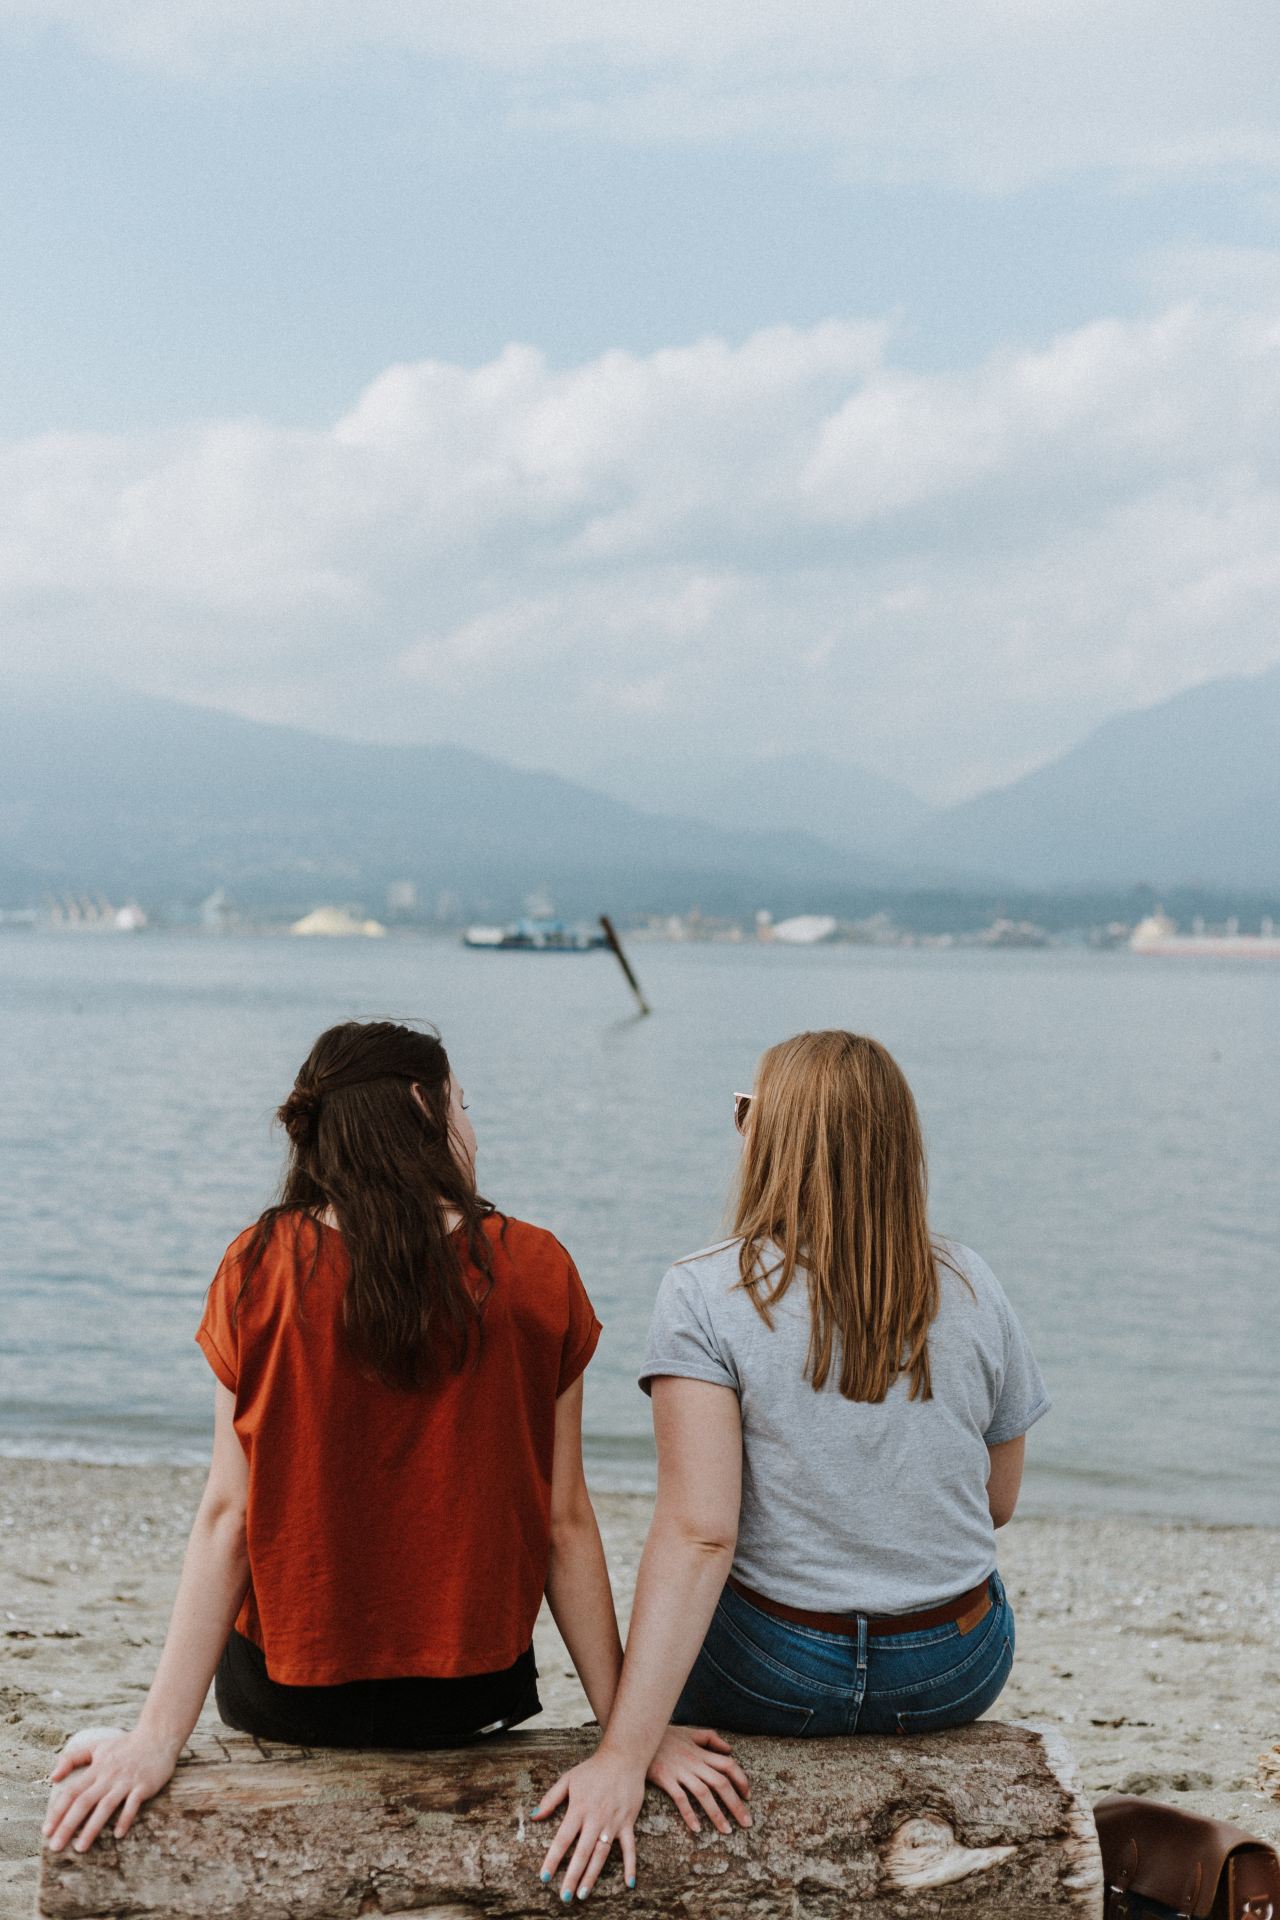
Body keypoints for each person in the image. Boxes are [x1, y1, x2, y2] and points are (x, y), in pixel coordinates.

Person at [43, 1020, 747, 1861]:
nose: (474, 1129)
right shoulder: (535, 1270)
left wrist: (156, 1737)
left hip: (285, 1698)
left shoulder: (258, 1267)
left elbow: (227, 1516)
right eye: (465, 1105)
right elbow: (563, 1523)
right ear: (424, 1106)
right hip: (465, 1698)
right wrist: (627, 1735)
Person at [535, 1028, 1050, 1900]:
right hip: (954, 1669)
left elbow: (702, 1535)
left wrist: (624, 1751)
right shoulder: (971, 1283)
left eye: (747, 1114)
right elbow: (996, 1502)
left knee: (696, 1592)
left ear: (771, 1144)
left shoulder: (704, 1293)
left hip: (775, 1672)